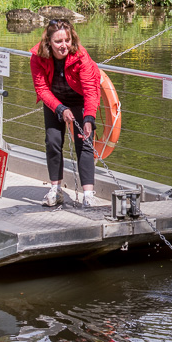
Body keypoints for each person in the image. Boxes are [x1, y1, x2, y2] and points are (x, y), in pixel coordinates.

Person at [30, 18, 101, 207]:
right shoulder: (37, 56)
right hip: (54, 102)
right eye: (58, 41)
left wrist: (89, 118)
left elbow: (90, 90)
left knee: (84, 143)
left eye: (67, 40)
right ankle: (55, 189)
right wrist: (60, 108)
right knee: (53, 141)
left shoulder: (81, 56)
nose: (64, 46)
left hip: (79, 101)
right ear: (48, 42)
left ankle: (88, 195)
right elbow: (41, 88)